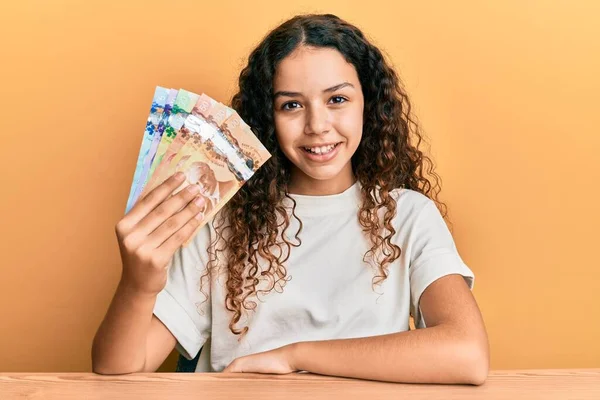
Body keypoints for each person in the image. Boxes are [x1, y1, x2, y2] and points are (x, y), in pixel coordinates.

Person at [92, 14, 489, 385]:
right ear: (268, 118)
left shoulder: (407, 215)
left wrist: (295, 356)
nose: (317, 125)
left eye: (337, 99)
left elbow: (467, 353)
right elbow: (118, 369)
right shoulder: (219, 222)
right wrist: (137, 284)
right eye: (292, 105)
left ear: (367, 103)